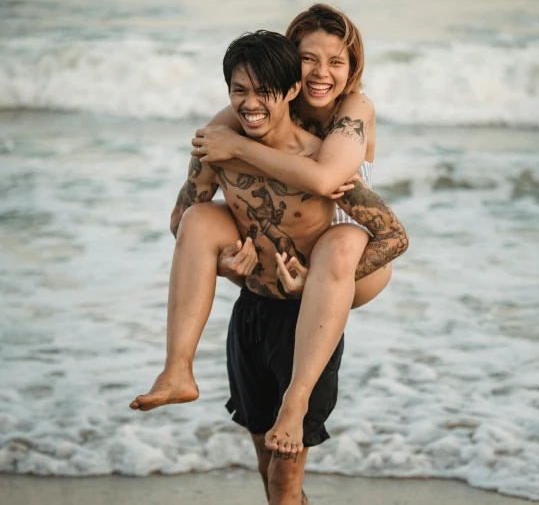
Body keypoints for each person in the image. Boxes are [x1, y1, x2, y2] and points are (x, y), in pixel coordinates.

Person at [148, 30, 406, 505]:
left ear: (288, 90)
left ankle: (297, 398)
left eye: (263, 92)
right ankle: (177, 369)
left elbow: (394, 234)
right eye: (239, 92)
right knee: (270, 478)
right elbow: (182, 222)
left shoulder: (324, 157)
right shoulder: (221, 145)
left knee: (285, 485)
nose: (250, 104)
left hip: (308, 322)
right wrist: (223, 265)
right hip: (253, 310)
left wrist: (325, 285)